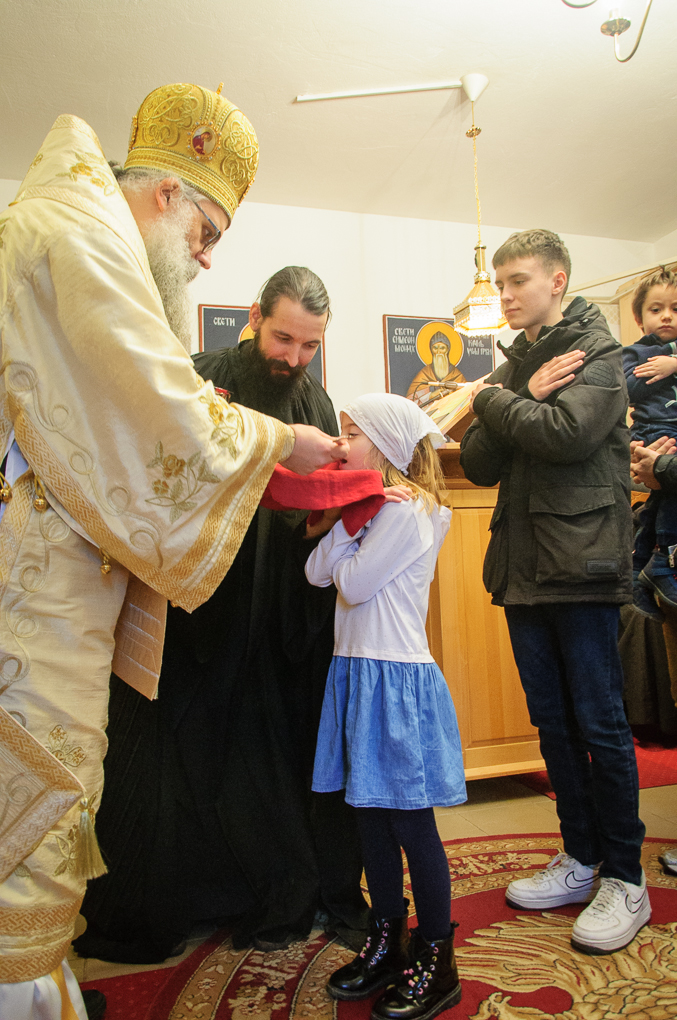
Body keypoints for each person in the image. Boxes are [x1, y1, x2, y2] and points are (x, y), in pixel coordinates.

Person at [0, 84, 344, 1020]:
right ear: (164, 195)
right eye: (205, 233)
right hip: (30, 594)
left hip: (67, 588)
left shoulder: (62, 225)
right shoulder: (77, 237)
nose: (202, 257)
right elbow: (158, 412)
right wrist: (280, 444)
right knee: (34, 802)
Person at [75, 266, 370, 962]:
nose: (293, 357)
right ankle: (170, 902)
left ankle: (265, 889)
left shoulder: (317, 400)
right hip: (194, 604)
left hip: (276, 613)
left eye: (309, 345)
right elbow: (161, 469)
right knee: (175, 749)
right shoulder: (199, 376)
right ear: (254, 317)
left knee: (265, 751)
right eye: (283, 338)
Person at [460, 228, 649, 955]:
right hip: (523, 566)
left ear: (557, 280)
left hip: (583, 563)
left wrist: (498, 400)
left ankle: (625, 876)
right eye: (500, 282)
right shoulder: (519, 363)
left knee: (600, 724)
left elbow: (566, 434)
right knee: (552, 723)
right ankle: (579, 858)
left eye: (517, 281)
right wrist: (516, 396)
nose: (505, 295)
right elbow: (480, 463)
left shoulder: (599, 353)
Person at [306, 393, 466, 1020]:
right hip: (357, 672)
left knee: (410, 825)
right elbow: (314, 572)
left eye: (352, 433)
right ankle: (388, 938)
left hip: (394, 679)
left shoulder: (411, 509)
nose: (341, 443)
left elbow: (351, 582)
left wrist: (349, 532)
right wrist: (351, 523)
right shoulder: (372, 509)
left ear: (387, 446)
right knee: (369, 819)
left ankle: (437, 957)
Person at [623, 267, 677, 620]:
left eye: (675, 308)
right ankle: (659, 561)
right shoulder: (636, 351)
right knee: (665, 492)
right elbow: (626, 388)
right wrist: (657, 371)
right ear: (640, 320)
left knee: (660, 501)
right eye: (656, 309)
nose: (667, 316)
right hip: (653, 432)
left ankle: (642, 569)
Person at [406, 331, 466, 404]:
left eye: (442, 348)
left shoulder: (456, 375)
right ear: (431, 350)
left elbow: (466, 397)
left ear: (447, 350)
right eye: (435, 348)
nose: (438, 352)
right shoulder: (424, 374)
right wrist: (430, 395)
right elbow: (410, 402)